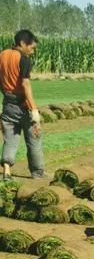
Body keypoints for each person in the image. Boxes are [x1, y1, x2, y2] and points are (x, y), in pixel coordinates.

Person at [0, 29, 45, 181]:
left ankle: (7, 171)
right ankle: (37, 172)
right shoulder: (23, 59)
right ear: (22, 43)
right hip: (22, 106)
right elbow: (25, 84)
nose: (32, 52)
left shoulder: (3, 55)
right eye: (31, 48)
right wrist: (34, 110)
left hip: (7, 104)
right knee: (34, 136)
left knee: (10, 138)